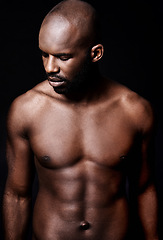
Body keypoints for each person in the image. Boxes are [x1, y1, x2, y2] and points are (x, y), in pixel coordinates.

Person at [3, 0, 158, 239]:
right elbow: (17, 194)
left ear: (95, 53)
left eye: (63, 57)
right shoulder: (27, 110)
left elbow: (144, 189)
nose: (50, 67)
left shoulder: (135, 111)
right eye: (45, 55)